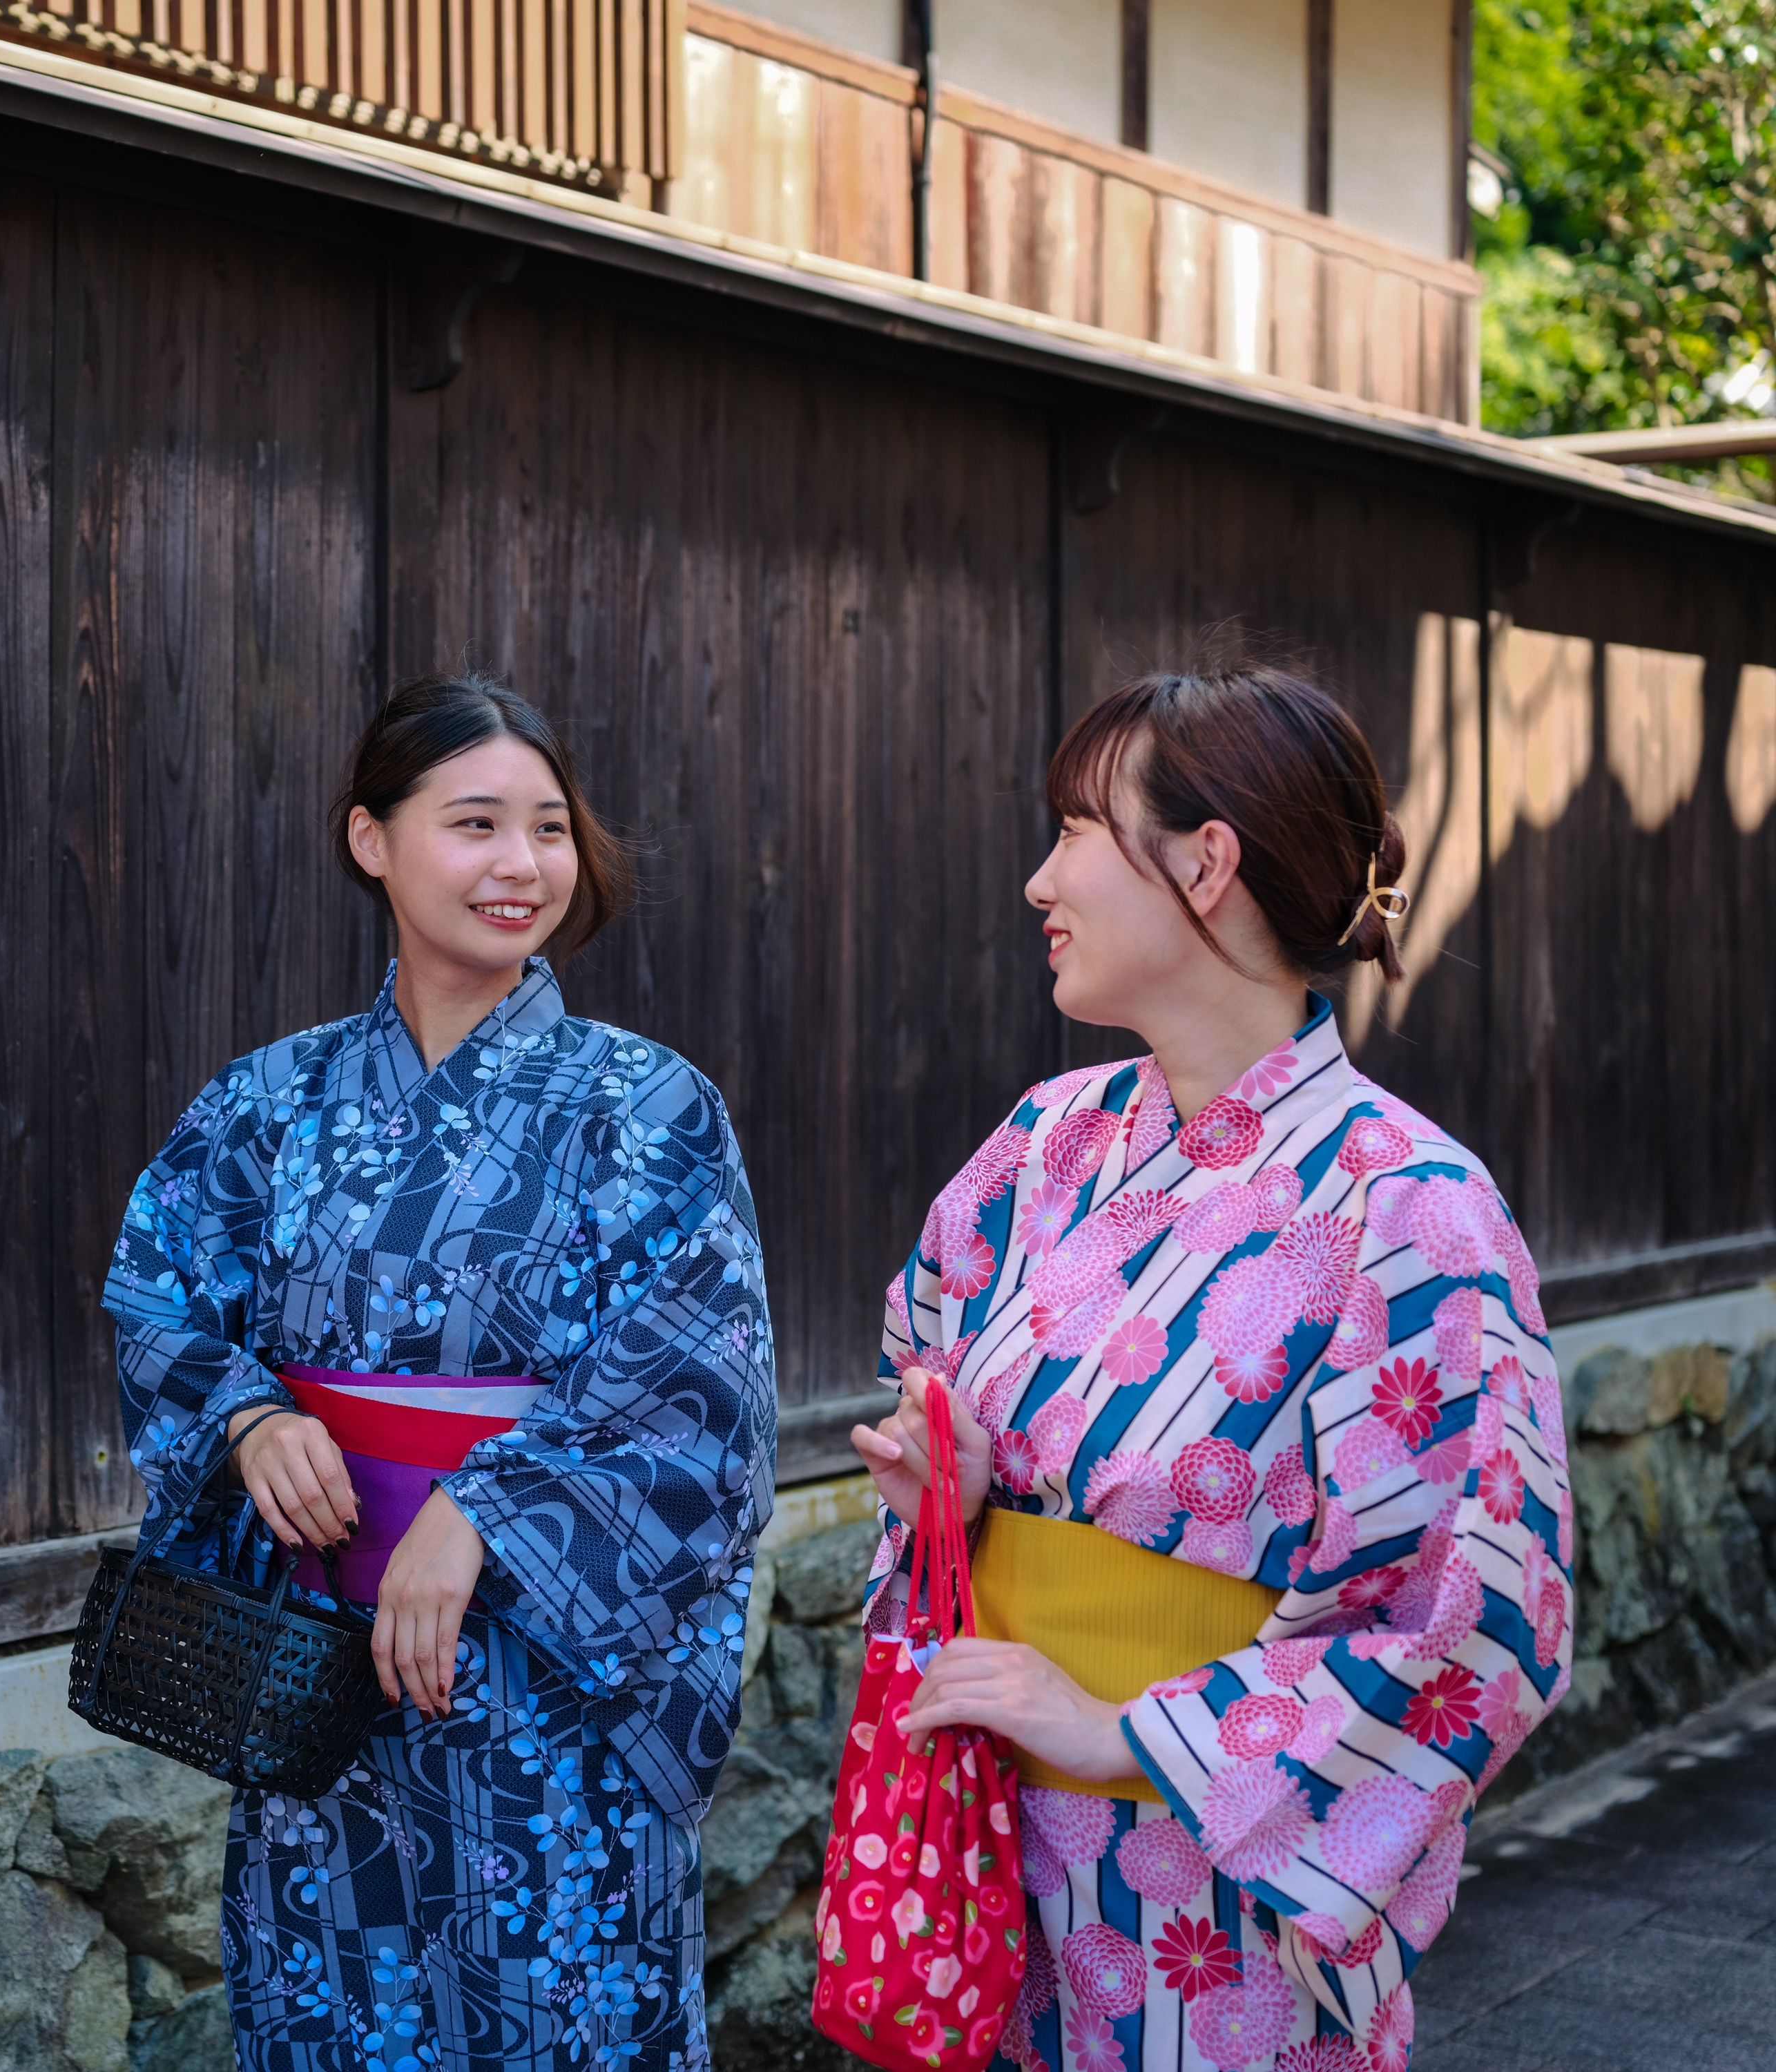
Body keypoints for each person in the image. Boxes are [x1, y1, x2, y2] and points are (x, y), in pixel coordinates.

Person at [836, 666, 1572, 2072]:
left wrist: (1127, 1732)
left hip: (1205, 1884)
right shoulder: (1045, 1143)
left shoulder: (1407, 1203)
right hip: (994, 1848)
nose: (1035, 878)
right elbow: (929, 1365)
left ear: (1204, 860)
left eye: (1070, 829)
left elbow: (1481, 1611)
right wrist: (956, 1473)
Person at [105, 673, 777, 2072]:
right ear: (373, 841)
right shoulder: (266, 1104)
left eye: (546, 828)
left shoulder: (644, 1107)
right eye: (474, 824)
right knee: (325, 1999)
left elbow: (697, 1395)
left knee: (552, 2009)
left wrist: (486, 1509)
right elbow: (160, 1292)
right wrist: (243, 1415)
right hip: (318, 1667)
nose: (520, 865)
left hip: (548, 1690)